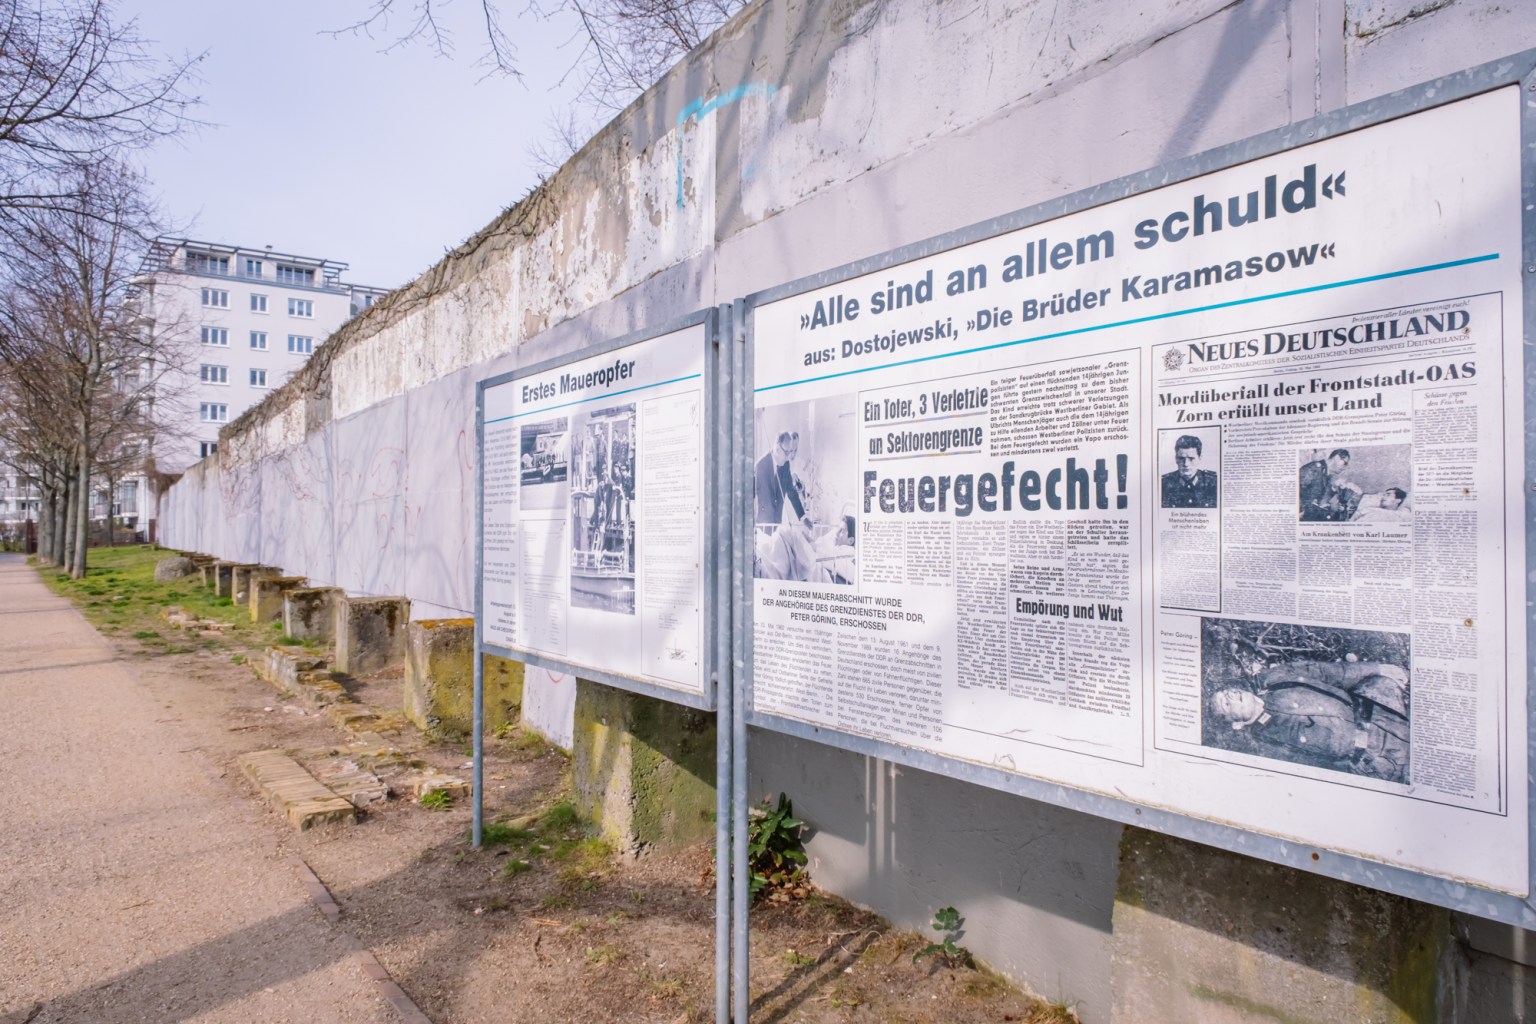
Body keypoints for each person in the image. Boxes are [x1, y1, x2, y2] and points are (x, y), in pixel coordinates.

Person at [1209, 659, 1409, 782]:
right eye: (1226, 703)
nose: (1232, 696)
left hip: (1382, 711)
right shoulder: (1266, 748)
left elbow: (1326, 672)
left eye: (1228, 692)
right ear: (1237, 724)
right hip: (1381, 760)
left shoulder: (1274, 678)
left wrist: (1378, 668)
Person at [755, 430, 808, 526]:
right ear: (777, 449)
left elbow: (791, 492)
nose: (788, 457)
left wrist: (803, 517)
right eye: (787, 453)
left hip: (777, 525)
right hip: (762, 526)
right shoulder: (761, 465)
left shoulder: (785, 465)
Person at [1299, 448, 1361, 521]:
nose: (1345, 468)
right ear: (1337, 458)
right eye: (1345, 463)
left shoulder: (1325, 473)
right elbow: (1297, 490)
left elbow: (1317, 496)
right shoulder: (1314, 468)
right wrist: (1301, 511)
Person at [1160, 434, 1218, 508]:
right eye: (1181, 458)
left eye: (1191, 458)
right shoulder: (1164, 483)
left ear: (1200, 458)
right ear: (1175, 459)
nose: (1186, 464)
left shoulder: (1214, 483)